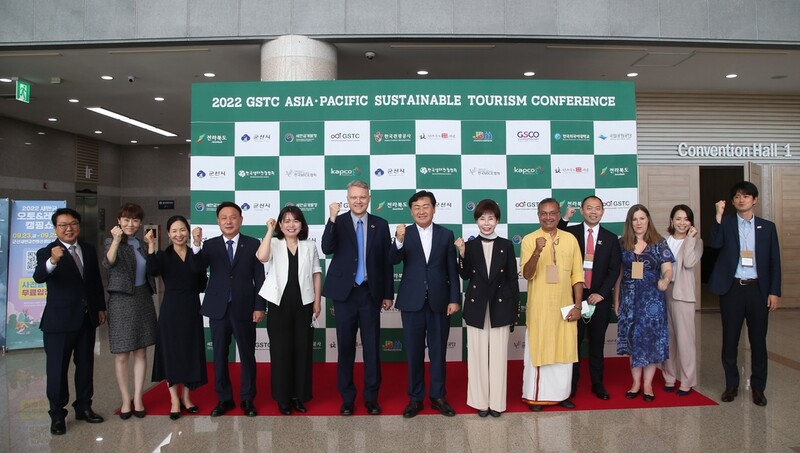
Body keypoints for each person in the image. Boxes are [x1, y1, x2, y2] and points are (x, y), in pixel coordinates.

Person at [321, 180, 394, 416]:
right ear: (347, 198)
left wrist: (387, 294)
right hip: (345, 294)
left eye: (362, 197)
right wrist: (331, 218)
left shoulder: (380, 225)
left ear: (369, 198)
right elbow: (326, 247)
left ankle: (371, 398)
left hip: (370, 293)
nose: (358, 201)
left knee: (372, 348)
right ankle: (348, 398)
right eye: (354, 197)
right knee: (345, 348)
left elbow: (386, 262)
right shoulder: (338, 222)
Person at [33, 208, 106, 435]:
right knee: (57, 371)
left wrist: (100, 307)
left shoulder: (88, 249)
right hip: (59, 323)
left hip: (86, 319)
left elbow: (94, 282)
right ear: (56, 228)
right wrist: (53, 261)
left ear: (79, 226)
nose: (69, 228)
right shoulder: (47, 251)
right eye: (63, 225)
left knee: (85, 366)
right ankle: (57, 415)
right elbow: (39, 276)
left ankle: (84, 407)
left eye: (73, 223)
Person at [709, 181, 781, 407]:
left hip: (758, 290)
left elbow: (774, 262)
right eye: (737, 197)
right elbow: (715, 243)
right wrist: (718, 216)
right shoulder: (727, 223)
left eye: (746, 196)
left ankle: (758, 388)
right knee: (730, 340)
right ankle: (731, 385)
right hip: (733, 289)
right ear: (732, 201)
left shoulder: (767, 227)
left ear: (755, 200)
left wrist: (774, 292)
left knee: (758, 341)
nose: (742, 199)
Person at [191, 201, 266, 417]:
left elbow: (259, 278)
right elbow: (196, 268)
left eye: (233, 217)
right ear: (218, 221)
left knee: (247, 356)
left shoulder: (253, 244)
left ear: (241, 220)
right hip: (218, 309)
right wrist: (196, 244)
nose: (228, 221)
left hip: (245, 308)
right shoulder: (210, 245)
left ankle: (247, 399)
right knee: (220, 357)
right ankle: (224, 399)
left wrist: (260, 306)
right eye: (224, 217)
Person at [390, 190, 460, 418]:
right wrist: (398, 241)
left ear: (434, 208)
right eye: (416, 207)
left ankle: (438, 396)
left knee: (438, 352)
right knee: (414, 353)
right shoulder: (404, 234)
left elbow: (452, 269)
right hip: (412, 302)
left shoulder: (446, 234)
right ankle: (415, 398)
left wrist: (454, 299)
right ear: (411, 211)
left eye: (425, 206)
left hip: (440, 302)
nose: (421, 211)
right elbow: (392, 260)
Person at [454, 199, 519, 417]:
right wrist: (461, 254)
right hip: (476, 307)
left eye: (491, 218)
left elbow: (512, 279)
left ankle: (497, 403)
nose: (486, 223)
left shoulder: (507, 245)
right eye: (482, 218)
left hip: (501, 307)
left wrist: (514, 313)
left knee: (499, 357)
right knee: (477, 356)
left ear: (497, 220)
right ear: (476, 221)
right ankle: (480, 402)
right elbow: (464, 275)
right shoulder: (470, 246)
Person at [520, 198, 584, 412]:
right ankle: (535, 397)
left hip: (565, 307)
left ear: (559, 214)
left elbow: (577, 274)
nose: (548, 217)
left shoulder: (571, 239)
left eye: (552, 213)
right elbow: (527, 275)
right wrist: (537, 252)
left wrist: (577, 306)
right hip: (540, 308)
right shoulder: (530, 239)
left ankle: (561, 395)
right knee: (540, 349)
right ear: (538, 215)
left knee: (564, 351)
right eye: (543, 213)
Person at [256, 207, 322, 415]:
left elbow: (316, 274)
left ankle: (298, 396)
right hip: (279, 304)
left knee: (302, 352)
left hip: (304, 303)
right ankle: (282, 398)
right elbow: (262, 257)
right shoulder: (274, 243)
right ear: (280, 225)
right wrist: (269, 231)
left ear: (302, 224)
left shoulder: (310, 245)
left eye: (295, 221)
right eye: (286, 221)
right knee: (281, 351)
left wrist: (317, 301)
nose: (291, 224)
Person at [146, 215, 208, 420]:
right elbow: (152, 270)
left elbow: (202, 283)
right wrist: (151, 246)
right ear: (168, 234)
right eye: (174, 231)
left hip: (192, 309)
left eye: (182, 230)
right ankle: (174, 399)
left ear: (188, 232)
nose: (179, 234)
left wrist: (198, 245)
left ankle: (187, 397)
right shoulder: (163, 256)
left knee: (190, 352)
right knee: (172, 354)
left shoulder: (194, 253)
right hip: (171, 310)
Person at [559, 196, 621, 400]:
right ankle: (571, 385)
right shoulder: (571, 233)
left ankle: (597, 383)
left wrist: (601, 293)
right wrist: (565, 218)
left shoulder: (611, 238)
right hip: (574, 297)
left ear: (602, 211)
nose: (593, 212)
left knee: (597, 343)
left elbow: (614, 270)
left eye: (597, 208)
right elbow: (555, 235)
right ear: (582, 211)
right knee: (573, 344)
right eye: (589, 208)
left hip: (598, 299)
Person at [614, 204, 674, 402]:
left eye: (642, 218)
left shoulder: (659, 242)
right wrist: (617, 300)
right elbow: (619, 274)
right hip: (629, 299)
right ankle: (635, 383)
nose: (638, 223)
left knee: (650, 343)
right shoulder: (622, 243)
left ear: (648, 219)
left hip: (652, 302)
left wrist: (665, 279)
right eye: (634, 219)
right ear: (629, 222)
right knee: (632, 341)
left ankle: (648, 384)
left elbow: (667, 268)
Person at [103, 203, 157, 419]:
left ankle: (138, 397)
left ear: (140, 222)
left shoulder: (142, 244)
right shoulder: (111, 241)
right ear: (119, 221)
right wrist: (116, 241)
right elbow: (109, 263)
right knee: (122, 354)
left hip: (143, 298)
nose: (130, 224)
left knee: (141, 351)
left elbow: (152, 269)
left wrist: (151, 246)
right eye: (126, 220)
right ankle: (125, 399)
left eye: (135, 220)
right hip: (121, 301)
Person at [661, 205, 703, 396]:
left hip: (683, 294)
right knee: (667, 340)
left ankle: (687, 380)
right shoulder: (664, 241)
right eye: (678, 219)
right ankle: (669, 377)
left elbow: (688, 262)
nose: (682, 223)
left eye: (686, 219)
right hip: (663, 293)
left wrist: (691, 240)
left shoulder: (695, 242)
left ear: (691, 222)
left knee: (685, 340)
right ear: (671, 220)